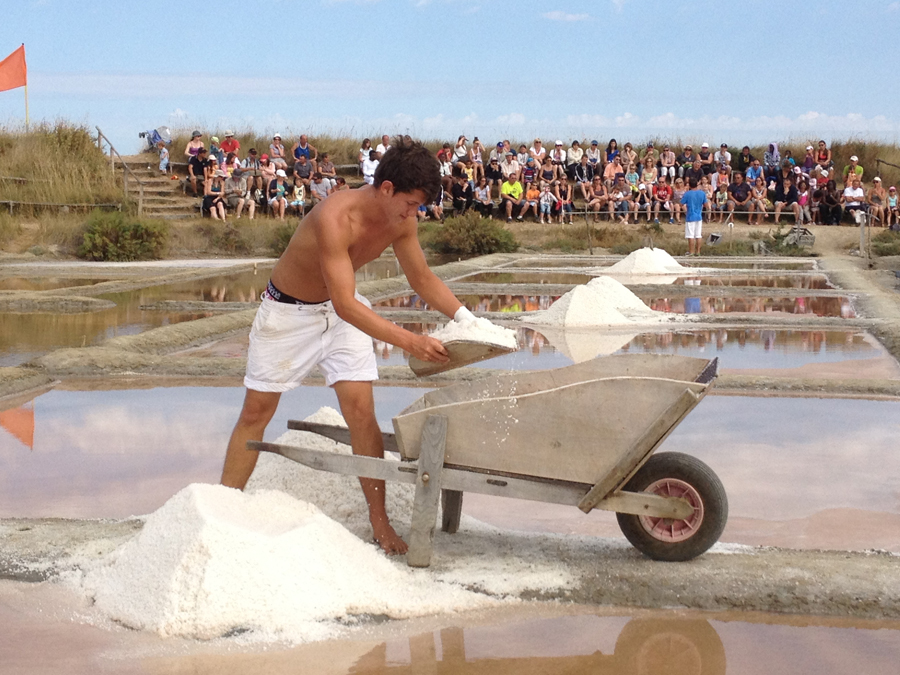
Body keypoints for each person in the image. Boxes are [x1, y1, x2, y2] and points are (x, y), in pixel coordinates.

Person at [221, 137, 480, 555]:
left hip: (340, 314)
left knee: (361, 412)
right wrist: (411, 341)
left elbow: (422, 279)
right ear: (387, 188)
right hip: (290, 313)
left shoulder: (403, 220)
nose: (414, 215)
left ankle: (381, 524)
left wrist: (467, 319)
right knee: (256, 411)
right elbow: (344, 303)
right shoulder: (334, 217)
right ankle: (221, 514)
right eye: (410, 204)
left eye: (419, 208)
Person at [681, 177, 707, 255]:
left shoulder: (687, 194)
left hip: (690, 216)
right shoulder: (702, 193)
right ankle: (698, 252)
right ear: (697, 184)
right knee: (698, 235)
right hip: (699, 216)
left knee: (690, 235)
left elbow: (681, 203)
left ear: (689, 185)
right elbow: (705, 204)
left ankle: (691, 252)